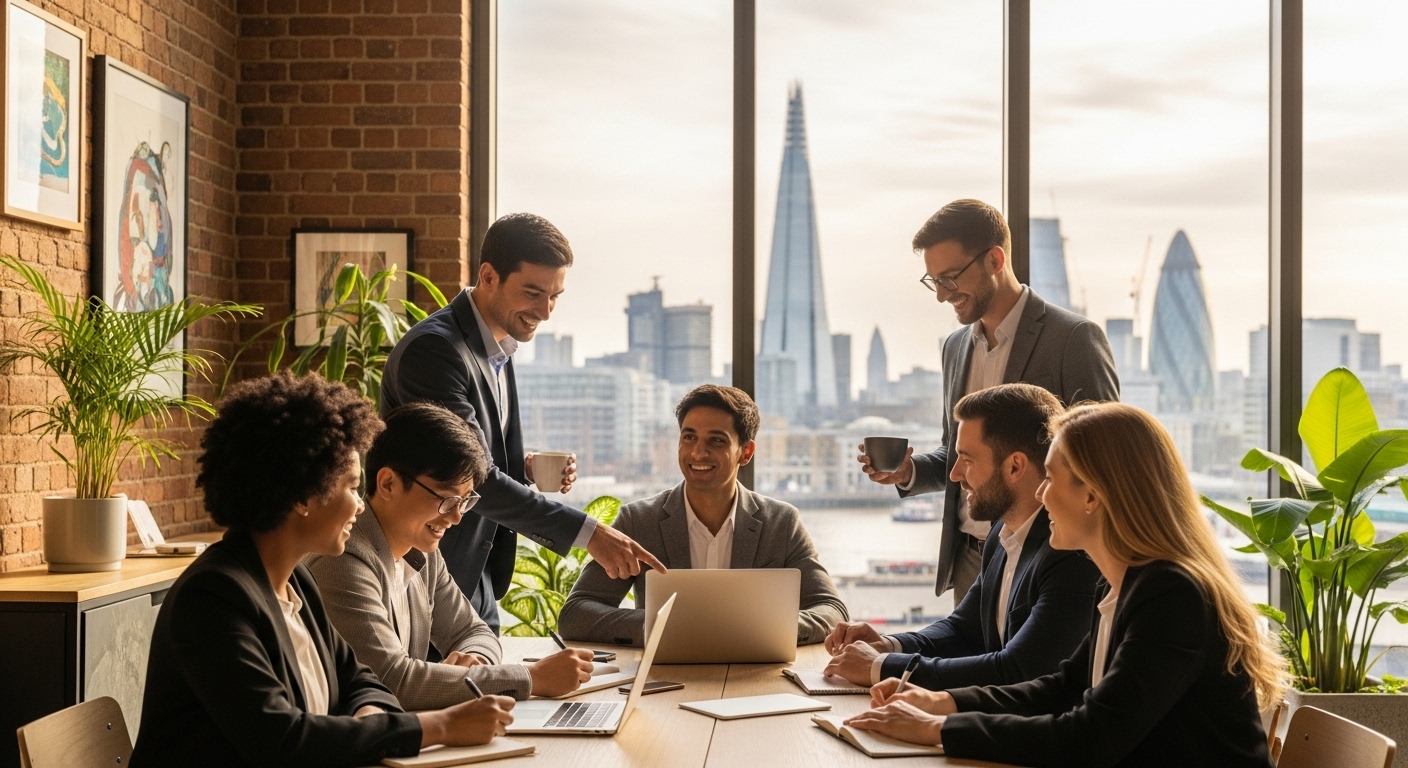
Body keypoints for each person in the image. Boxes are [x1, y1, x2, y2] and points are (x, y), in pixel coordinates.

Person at [844, 403, 1284, 767]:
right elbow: (1060, 689)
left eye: (1051, 478)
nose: (1040, 494)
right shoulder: (1122, 586)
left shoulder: (1172, 595)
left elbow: (1091, 737)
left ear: (1093, 496)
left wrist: (938, 729)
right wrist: (944, 703)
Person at [131, 374, 515, 768]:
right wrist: (441, 726)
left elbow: (363, 682)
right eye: (351, 487)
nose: (359, 506)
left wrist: (370, 723)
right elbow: (283, 739)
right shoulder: (213, 598)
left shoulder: (295, 582)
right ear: (303, 495)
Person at [381, 213, 665, 631]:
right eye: (533, 293)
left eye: (555, 296)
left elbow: (469, 454)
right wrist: (590, 534)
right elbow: (470, 477)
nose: (545, 312)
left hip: (475, 576)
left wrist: (525, 468)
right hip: (430, 580)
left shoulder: (498, 345)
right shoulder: (435, 351)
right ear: (488, 276)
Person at [858, 199, 1119, 604]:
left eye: (950, 278)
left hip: (1047, 558)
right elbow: (957, 453)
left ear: (995, 260)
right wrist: (909, 472)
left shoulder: (1073, 339)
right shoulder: (955, 347)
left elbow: (1105, 457)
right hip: (971, 558)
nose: (942, 296)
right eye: (933, 282)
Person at [308, 402, 594, 710]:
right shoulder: (343, 561)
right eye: (446, 499)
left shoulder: (420, 550)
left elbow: (472, 630)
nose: (457, 517)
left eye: (465, 500)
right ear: (388, 483)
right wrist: (532, 677)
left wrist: (477, 660)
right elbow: (391, 681)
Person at [823, 384, 1099, 690]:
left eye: (967, 460)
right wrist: (887, 645)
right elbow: (964, 630)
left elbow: (1019, 670)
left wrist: (880, 667)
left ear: (1015, 466)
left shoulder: (1071, 553)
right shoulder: (1000, 534)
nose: (954, 475)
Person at [559, 384, 848, 646]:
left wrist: (770, 628)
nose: (698, 452)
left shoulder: (781, 524)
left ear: (745, 452)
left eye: (716, 441)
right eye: (689, 437)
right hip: (665, 681)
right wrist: (657, 626)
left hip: (754, 678)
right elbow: (576, 614)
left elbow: (832, 610)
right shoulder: (638, 521)